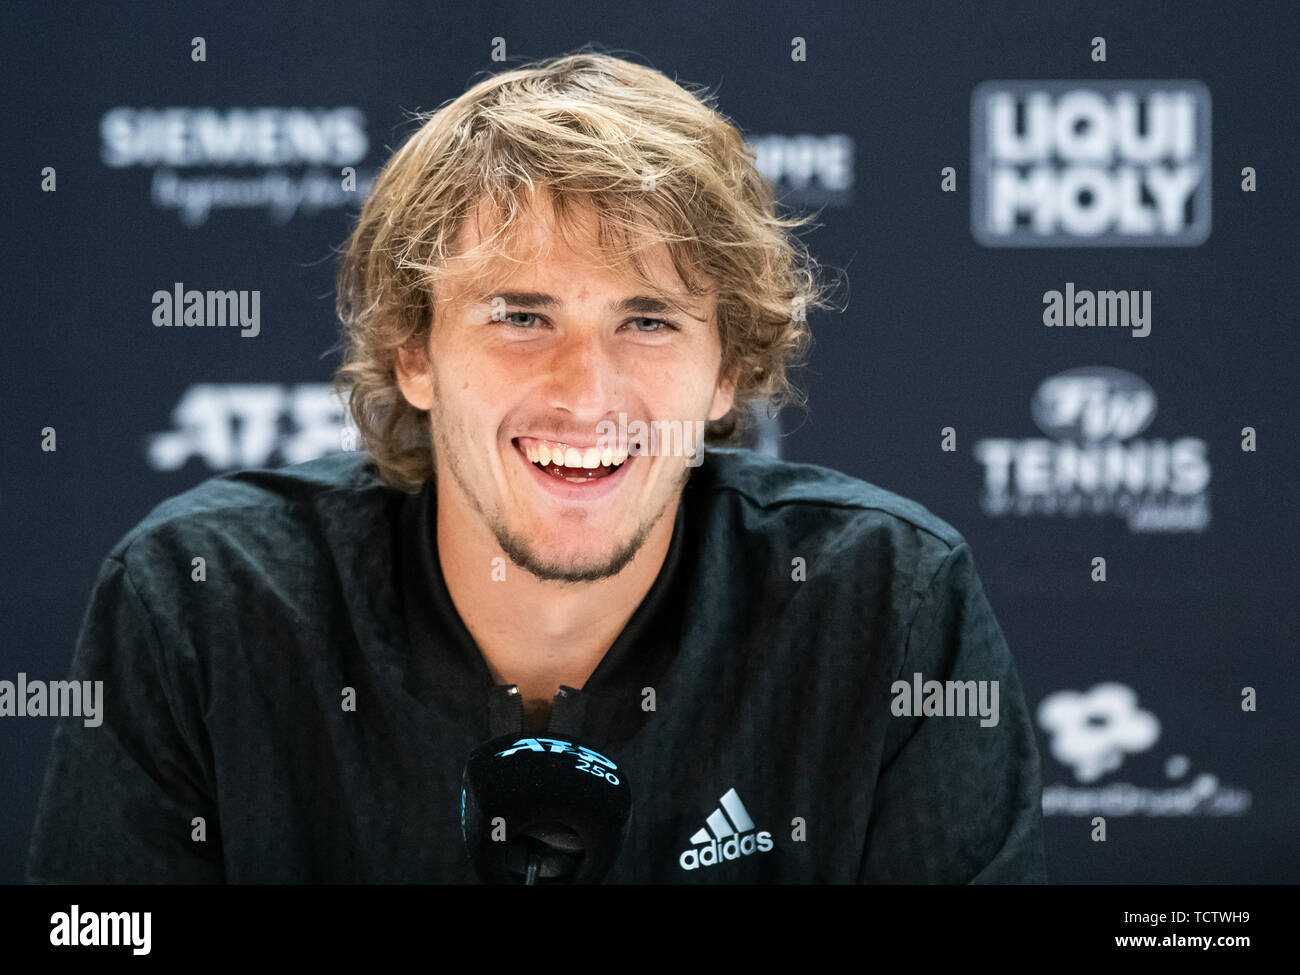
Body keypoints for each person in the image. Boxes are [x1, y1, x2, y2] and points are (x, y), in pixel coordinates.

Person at [28, 50, 1045, 883]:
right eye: (521, 317)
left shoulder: (888, 600)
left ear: (729, 369)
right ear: (413, 354)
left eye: (648, 320)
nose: (584, 393)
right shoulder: (200, 600)